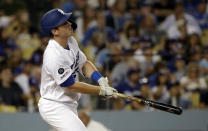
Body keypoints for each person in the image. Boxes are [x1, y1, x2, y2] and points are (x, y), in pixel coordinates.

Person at [38, 8, 117, 131]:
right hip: (54, 105)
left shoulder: (71, 41)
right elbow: (71, 85)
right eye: (64, 23)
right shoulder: (53, 55)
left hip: (69, 104)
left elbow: (84, 64)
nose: (69, 23)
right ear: (54, 31)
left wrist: (100, 79)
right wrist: (100, 90)